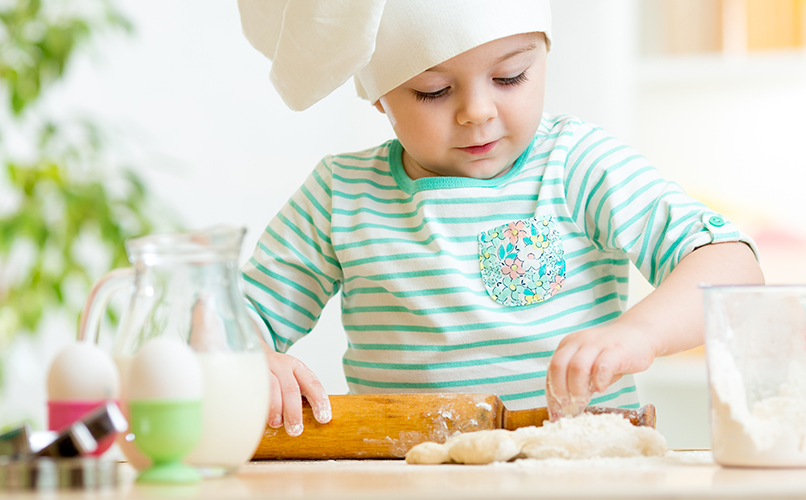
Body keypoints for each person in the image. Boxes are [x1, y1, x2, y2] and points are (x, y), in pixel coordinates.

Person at [237, 0, 764, 438]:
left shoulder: (576, 164)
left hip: (580, 475)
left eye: (510, 76)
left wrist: (640, 334)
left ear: (543, 59)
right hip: (403, 481)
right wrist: (251, 358)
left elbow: (731, 265)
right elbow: (227, 317)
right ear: (379, 98)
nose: (477, 111)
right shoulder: (341, 195)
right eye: (434, 91)